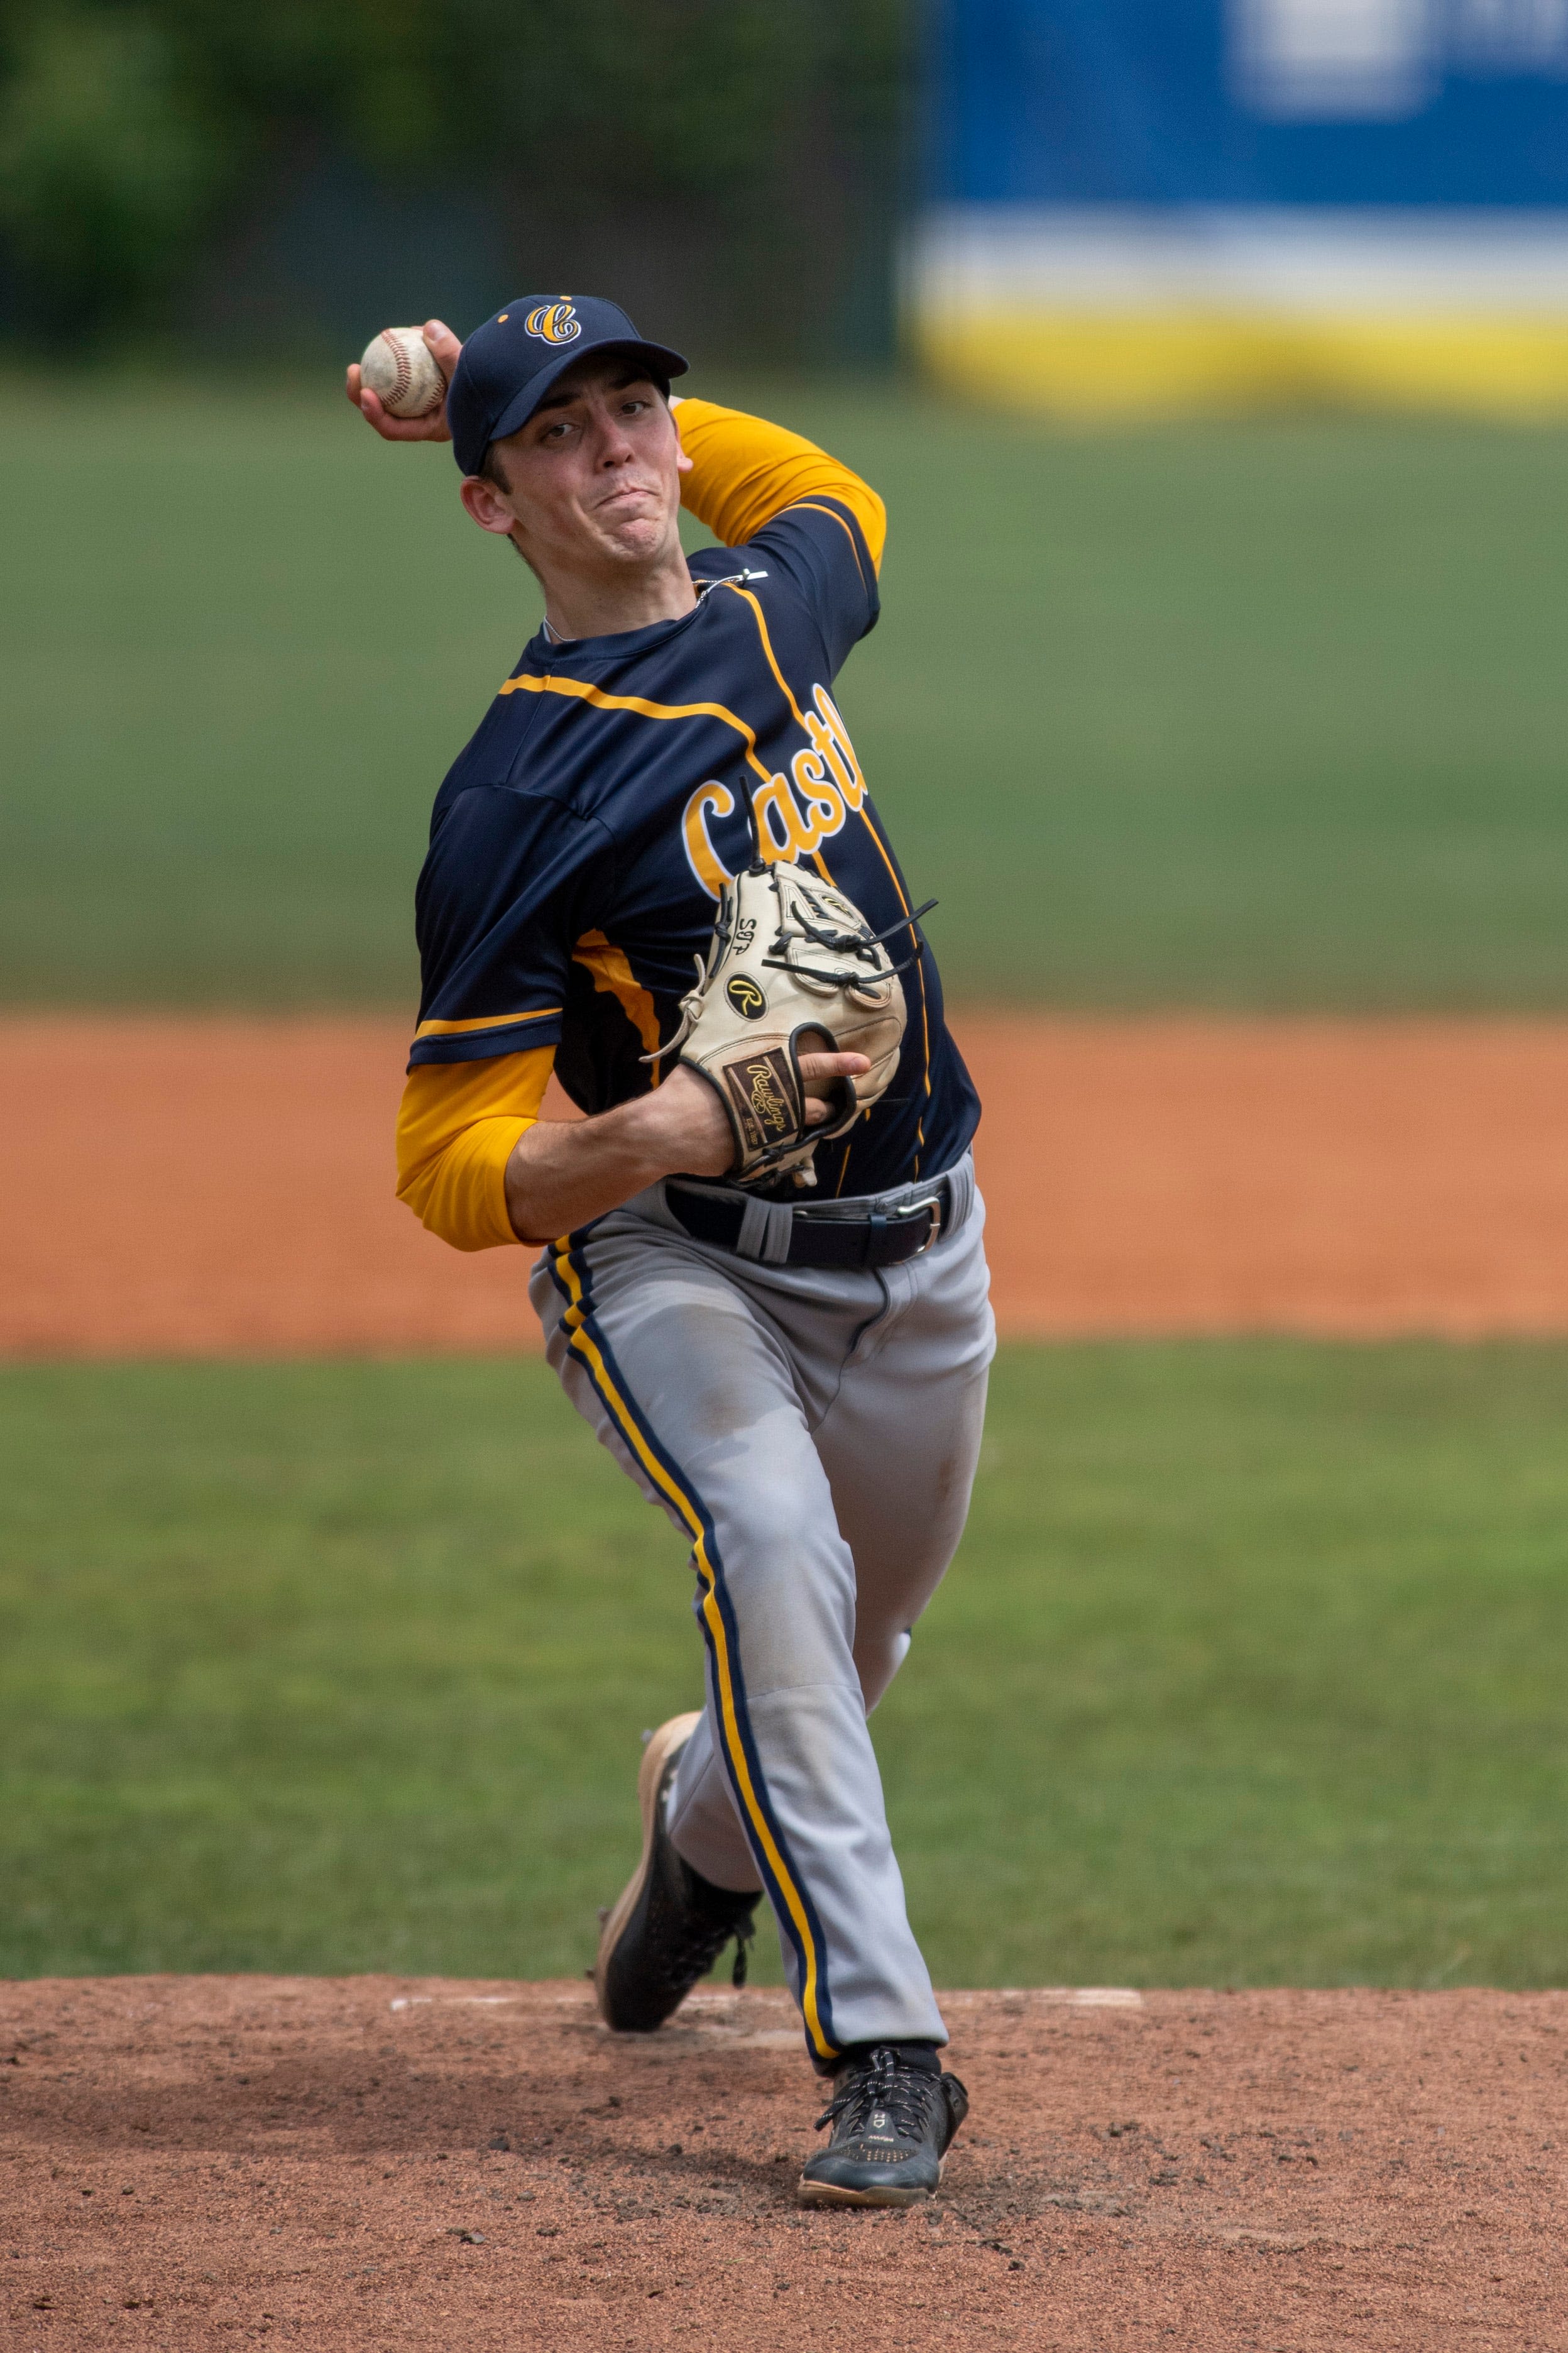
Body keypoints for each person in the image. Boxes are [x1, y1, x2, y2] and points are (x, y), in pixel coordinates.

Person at [348, 299, 994, 2207]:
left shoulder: (770, 605)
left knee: (847, 1650)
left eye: (643, 411)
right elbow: (447, 1157)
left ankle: (692, 1845)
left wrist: (513, 380)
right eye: (564, 437)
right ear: (487, 508)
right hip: (677, 1264)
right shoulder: (514, 800)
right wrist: (657, 1134)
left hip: (926, 1244)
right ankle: (887, 2050)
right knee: (774, 1548)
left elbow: (831, 484)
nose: (627, 451)